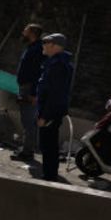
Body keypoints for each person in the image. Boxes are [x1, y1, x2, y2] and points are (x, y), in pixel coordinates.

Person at [35, 32, 73, 181]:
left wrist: (44, 116)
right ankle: (49, 174)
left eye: (47, 43)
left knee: (48, 144)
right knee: (47, 144)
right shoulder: (54, 63)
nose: (43, 45)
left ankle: (49, 177)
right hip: (49, 110)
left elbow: (55, 94)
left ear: (56, 46)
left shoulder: (58, 66)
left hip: (50, 111)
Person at [12, 22, 45, 161]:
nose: (23, 32)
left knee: (29, 121)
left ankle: (27, 152)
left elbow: (37, 72)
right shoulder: (32, 47)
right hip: (26, 87)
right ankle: (27, 149)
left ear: (32, 33)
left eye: (26, 30)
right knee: (27, 121)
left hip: (29, 88)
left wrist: (33, 93)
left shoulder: (37, 49)